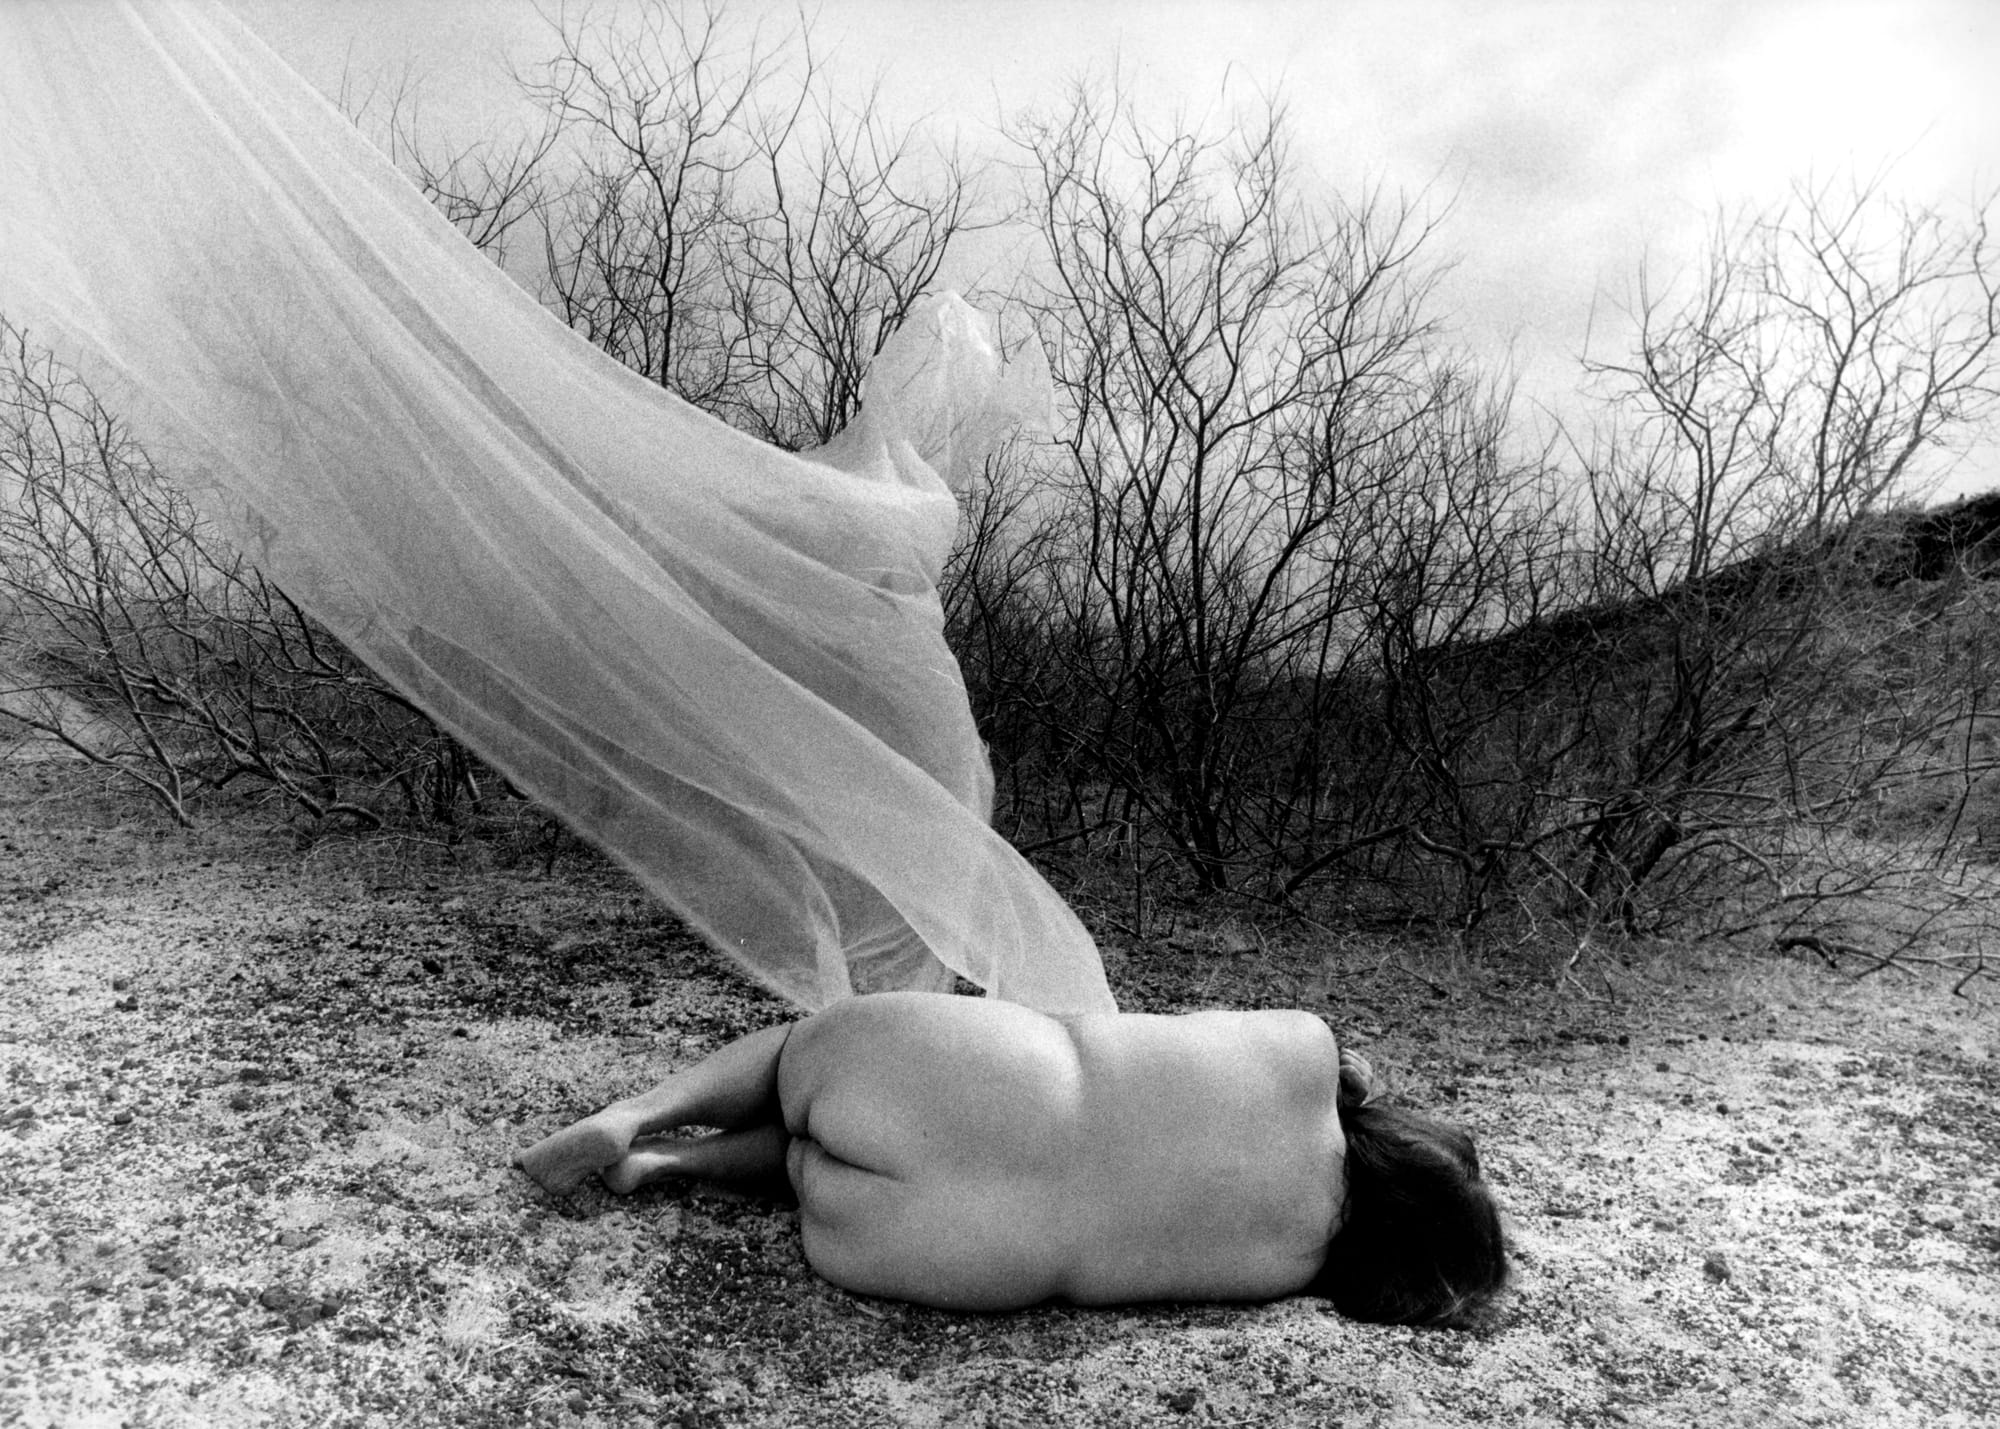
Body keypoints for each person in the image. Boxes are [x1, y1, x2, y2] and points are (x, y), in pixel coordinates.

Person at [515, 991, 1507, 1326]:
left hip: (984, 1077)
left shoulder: (1308, 1047)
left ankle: (644, 1116)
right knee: (818, 1161)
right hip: (929, 1247)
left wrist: (1349, 1082)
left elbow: (1325, 1070)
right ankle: (677, 1168)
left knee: (799, 1061)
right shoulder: (1290, 1266)